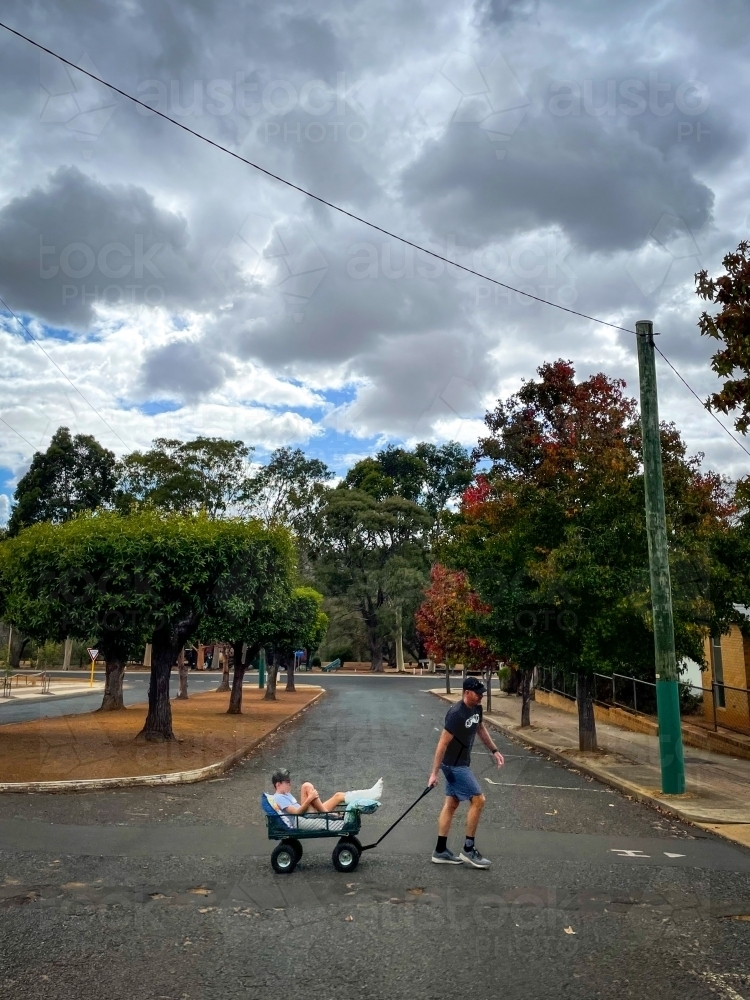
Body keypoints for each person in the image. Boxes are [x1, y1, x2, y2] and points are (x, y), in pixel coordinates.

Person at [428, 675, 504, 868]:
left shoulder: (477, 709)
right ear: (467, 692)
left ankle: (440, 850)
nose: (481, 697)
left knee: (452, 803)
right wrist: (434, 773)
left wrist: (494, 750)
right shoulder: (456, 714)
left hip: (461, 762)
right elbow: (442, 744)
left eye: (482, 694)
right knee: (478, 800)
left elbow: (480, 729)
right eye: (478, 694)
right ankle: (468, 850)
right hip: (453, 765)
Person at [269, 768, 383, 815]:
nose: (290, 784)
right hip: (302, 817)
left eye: (289, 781)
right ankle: (328, 815)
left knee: (338, 795)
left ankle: (370, 793)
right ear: (278, 784)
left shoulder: (284, 794)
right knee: (306, 786)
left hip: (308, 814)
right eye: (287, 782)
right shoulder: (279, 797)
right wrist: (309, 799)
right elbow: (297, 813)